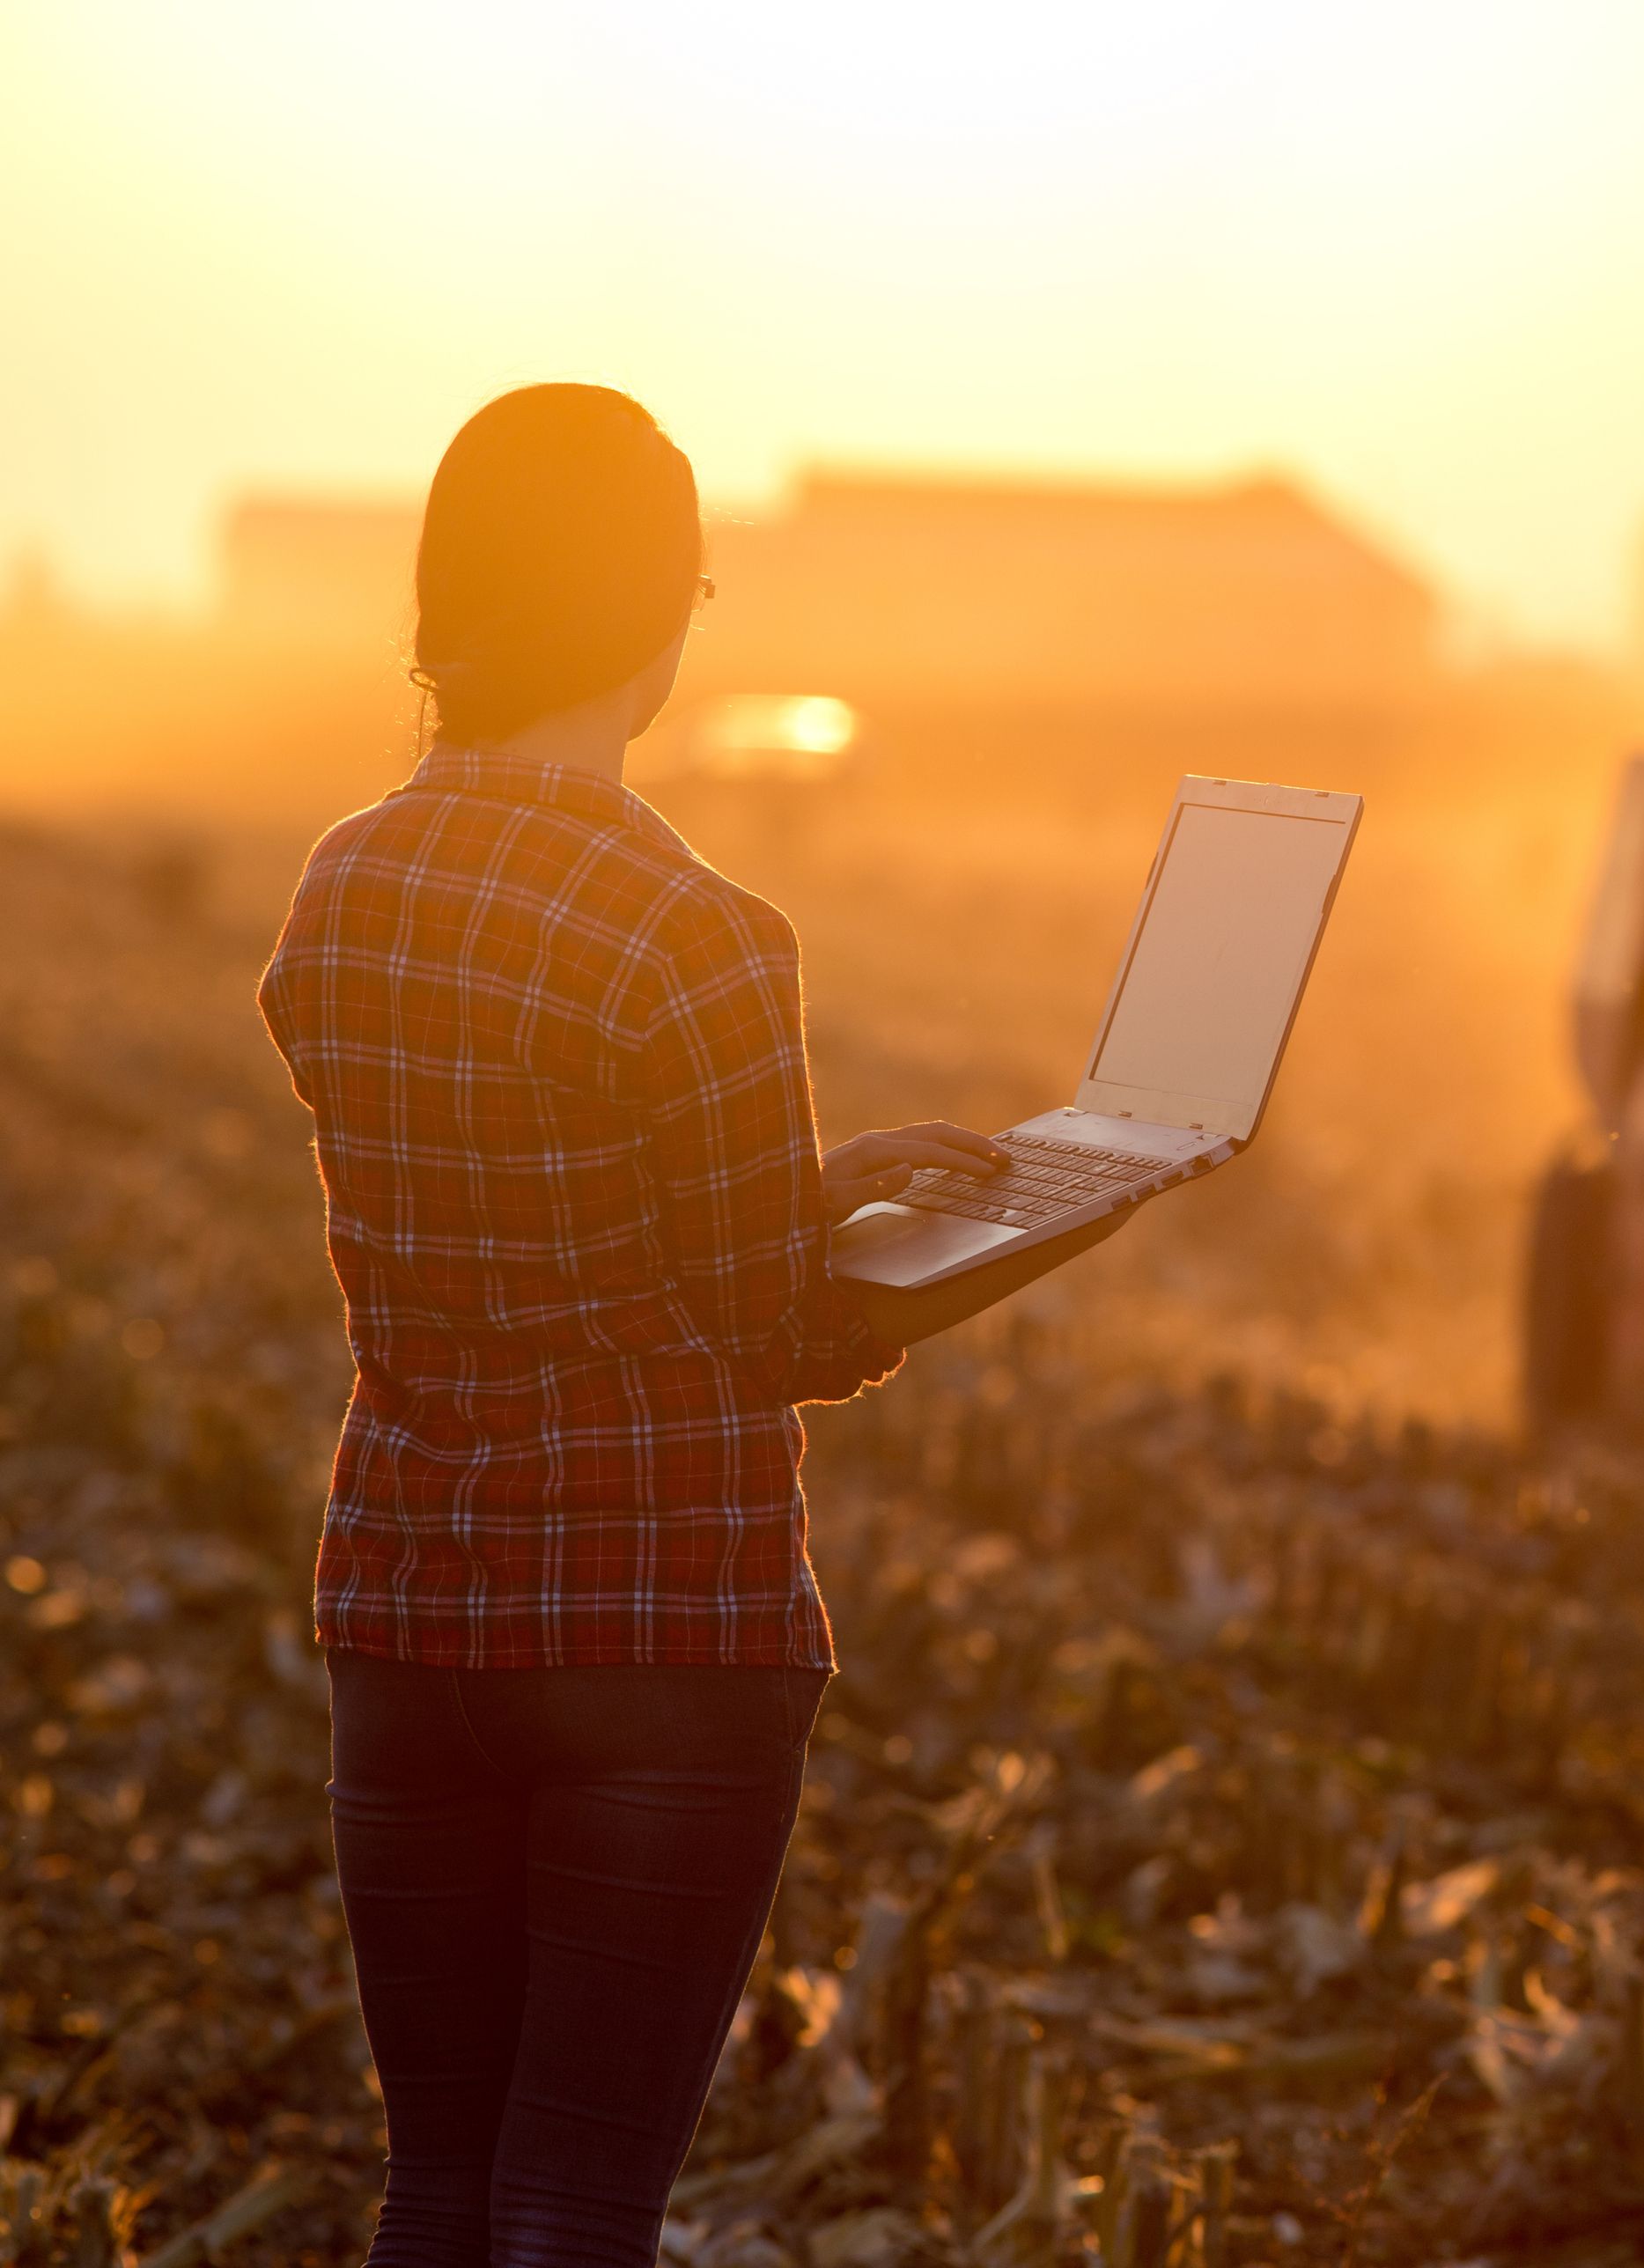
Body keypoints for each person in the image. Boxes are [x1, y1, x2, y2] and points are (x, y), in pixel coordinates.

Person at [255, 384, 1044, 2264]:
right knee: (579, 2208)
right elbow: (767, 1324)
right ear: (653, 616)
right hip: (655, 1629)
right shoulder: (698, 931)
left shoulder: (341, 887)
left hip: (407, 1608)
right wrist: (975, 1244)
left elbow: (526, 1189)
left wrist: (821, 1177)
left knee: (437, 2190)